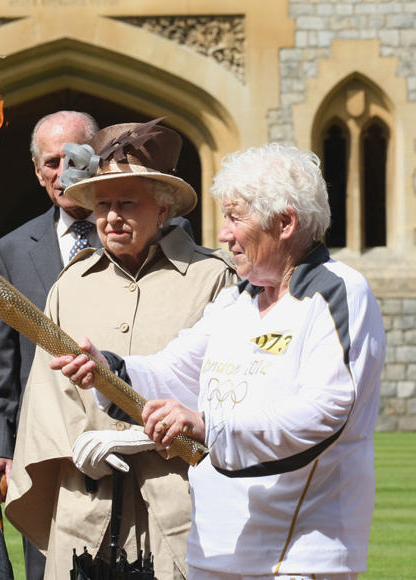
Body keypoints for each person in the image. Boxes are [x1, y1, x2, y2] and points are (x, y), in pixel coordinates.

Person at [56, 144, 385, 580]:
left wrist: (208, 426)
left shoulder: (339, 291)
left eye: (235, 217)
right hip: (214, 549)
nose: (224, 235)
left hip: (298, 555)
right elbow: (175, 372)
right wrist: (111, 370)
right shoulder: (238, 300)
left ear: (285, 223)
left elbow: (325, 413)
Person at [4, 119, 237, 580]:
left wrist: (136, 437)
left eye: (127, 203)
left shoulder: (216, 278)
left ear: (164, 208)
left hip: (180, 504)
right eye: (102, 204)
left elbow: (226, 392)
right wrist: (77, 447)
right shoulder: (69, 286)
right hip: (86, 506)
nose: (110, 218)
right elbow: (46, 399)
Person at [0, 110, 100, 579]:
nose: (63, 173)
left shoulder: (142, 234)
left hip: (124, 440)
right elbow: (2, 365)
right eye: (51, 162)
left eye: (75, 158)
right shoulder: (12, 249)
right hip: (44, 451)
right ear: (36, 170)